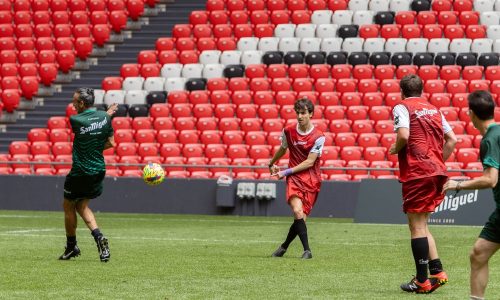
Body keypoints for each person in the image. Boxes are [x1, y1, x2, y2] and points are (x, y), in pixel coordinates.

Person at [389, 75, 457, 293]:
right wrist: (437, 163)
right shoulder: (434, 109)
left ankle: (421, 281)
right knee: (421, 224)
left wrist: (395, 148)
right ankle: (437, 272)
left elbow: (404, 135)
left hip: (418, 173)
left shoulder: (402, 106)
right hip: (435, 172)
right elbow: (453, 140)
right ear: (421, 91)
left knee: (416, 226)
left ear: (402, 91)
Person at [443, 90, 499, 300]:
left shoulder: (490, 140)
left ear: (471, 113)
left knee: (478, 254)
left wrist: (457, 184)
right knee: (479, 254)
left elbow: (490, 179)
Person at [59, 87, 117, 263]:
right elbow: (111, 143)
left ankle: (71, 247)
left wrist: (106, 114)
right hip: (98, 169)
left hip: (80, 171)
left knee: (68, 206)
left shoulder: (75, 119)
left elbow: (89, 122)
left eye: (75, 101)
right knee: (82, 206)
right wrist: (107, 114)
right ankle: (99, 238)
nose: (73, 104)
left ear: (82, 103)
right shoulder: (105, 118)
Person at [268, 98, 325, 259]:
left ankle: (284, 247)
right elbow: (283, 148)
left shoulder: (319, 136)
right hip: (294, 179)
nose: (300, 116)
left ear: (311, 114)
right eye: (298, 113)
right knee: (297, 210)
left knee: (300, 218)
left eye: (303, 113)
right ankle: (307, 250)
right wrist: (272, 162)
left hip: (311, 180)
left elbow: (310, 162)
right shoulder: (288, 131)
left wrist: (284, 172)